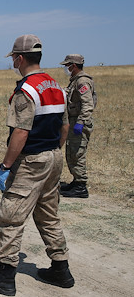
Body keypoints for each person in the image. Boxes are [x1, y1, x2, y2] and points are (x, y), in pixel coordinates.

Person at [0, 34, 74, 296]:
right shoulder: (56, 85)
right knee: (49, 215)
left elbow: (20, 132)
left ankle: (5, 277)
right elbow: (64, 125)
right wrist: (55, 151)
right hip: (53, 157)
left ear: (19, 58)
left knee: (11, 217)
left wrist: (6, 165)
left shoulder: (26, 90)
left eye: (14, 58)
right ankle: (60, 268)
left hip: (31, 161)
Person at [59, 54, 96, 198]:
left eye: (67, 66)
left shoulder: (82, 82)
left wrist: (81, 122)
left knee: (77, 153)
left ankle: (81, 186)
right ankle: (76, 181)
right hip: (74, 121)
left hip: (79, 122)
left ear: (73, 66)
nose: (65, 69)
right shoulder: (75, 81)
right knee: (72, 153)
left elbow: (87, 104)